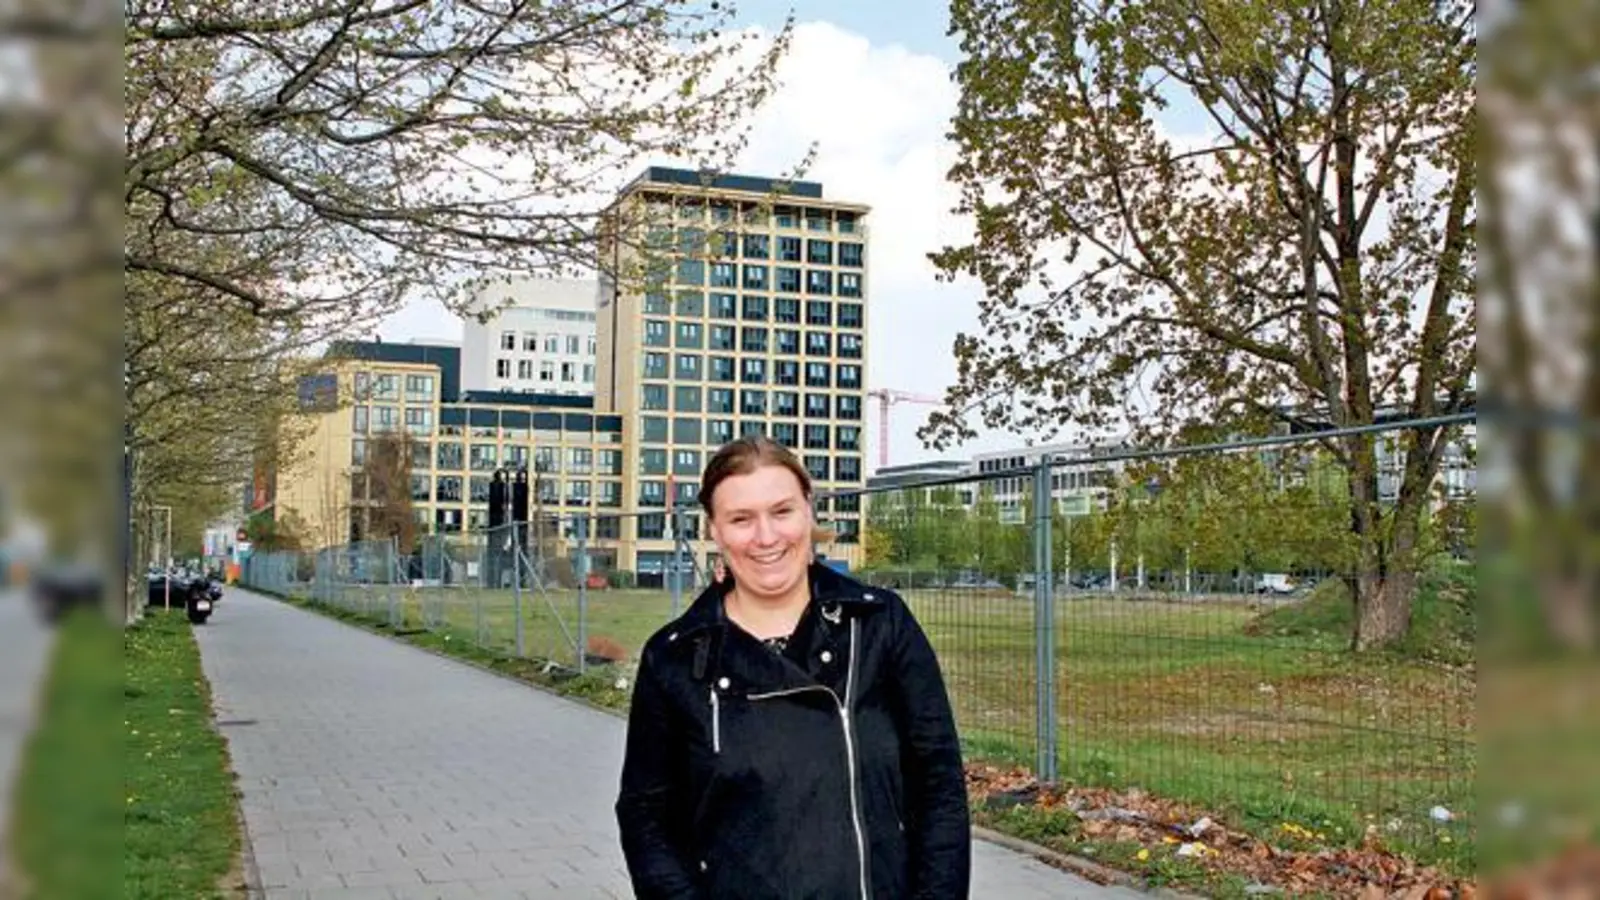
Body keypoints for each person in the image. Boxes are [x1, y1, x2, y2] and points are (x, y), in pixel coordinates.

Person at [616, 437, 971, 899]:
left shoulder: (880, 627)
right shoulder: (675, 658)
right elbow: (647, 819)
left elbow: (939, 788)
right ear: (715, 531)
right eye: (741, 519)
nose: (766, 537)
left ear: (809, 511)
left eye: (781, 511)